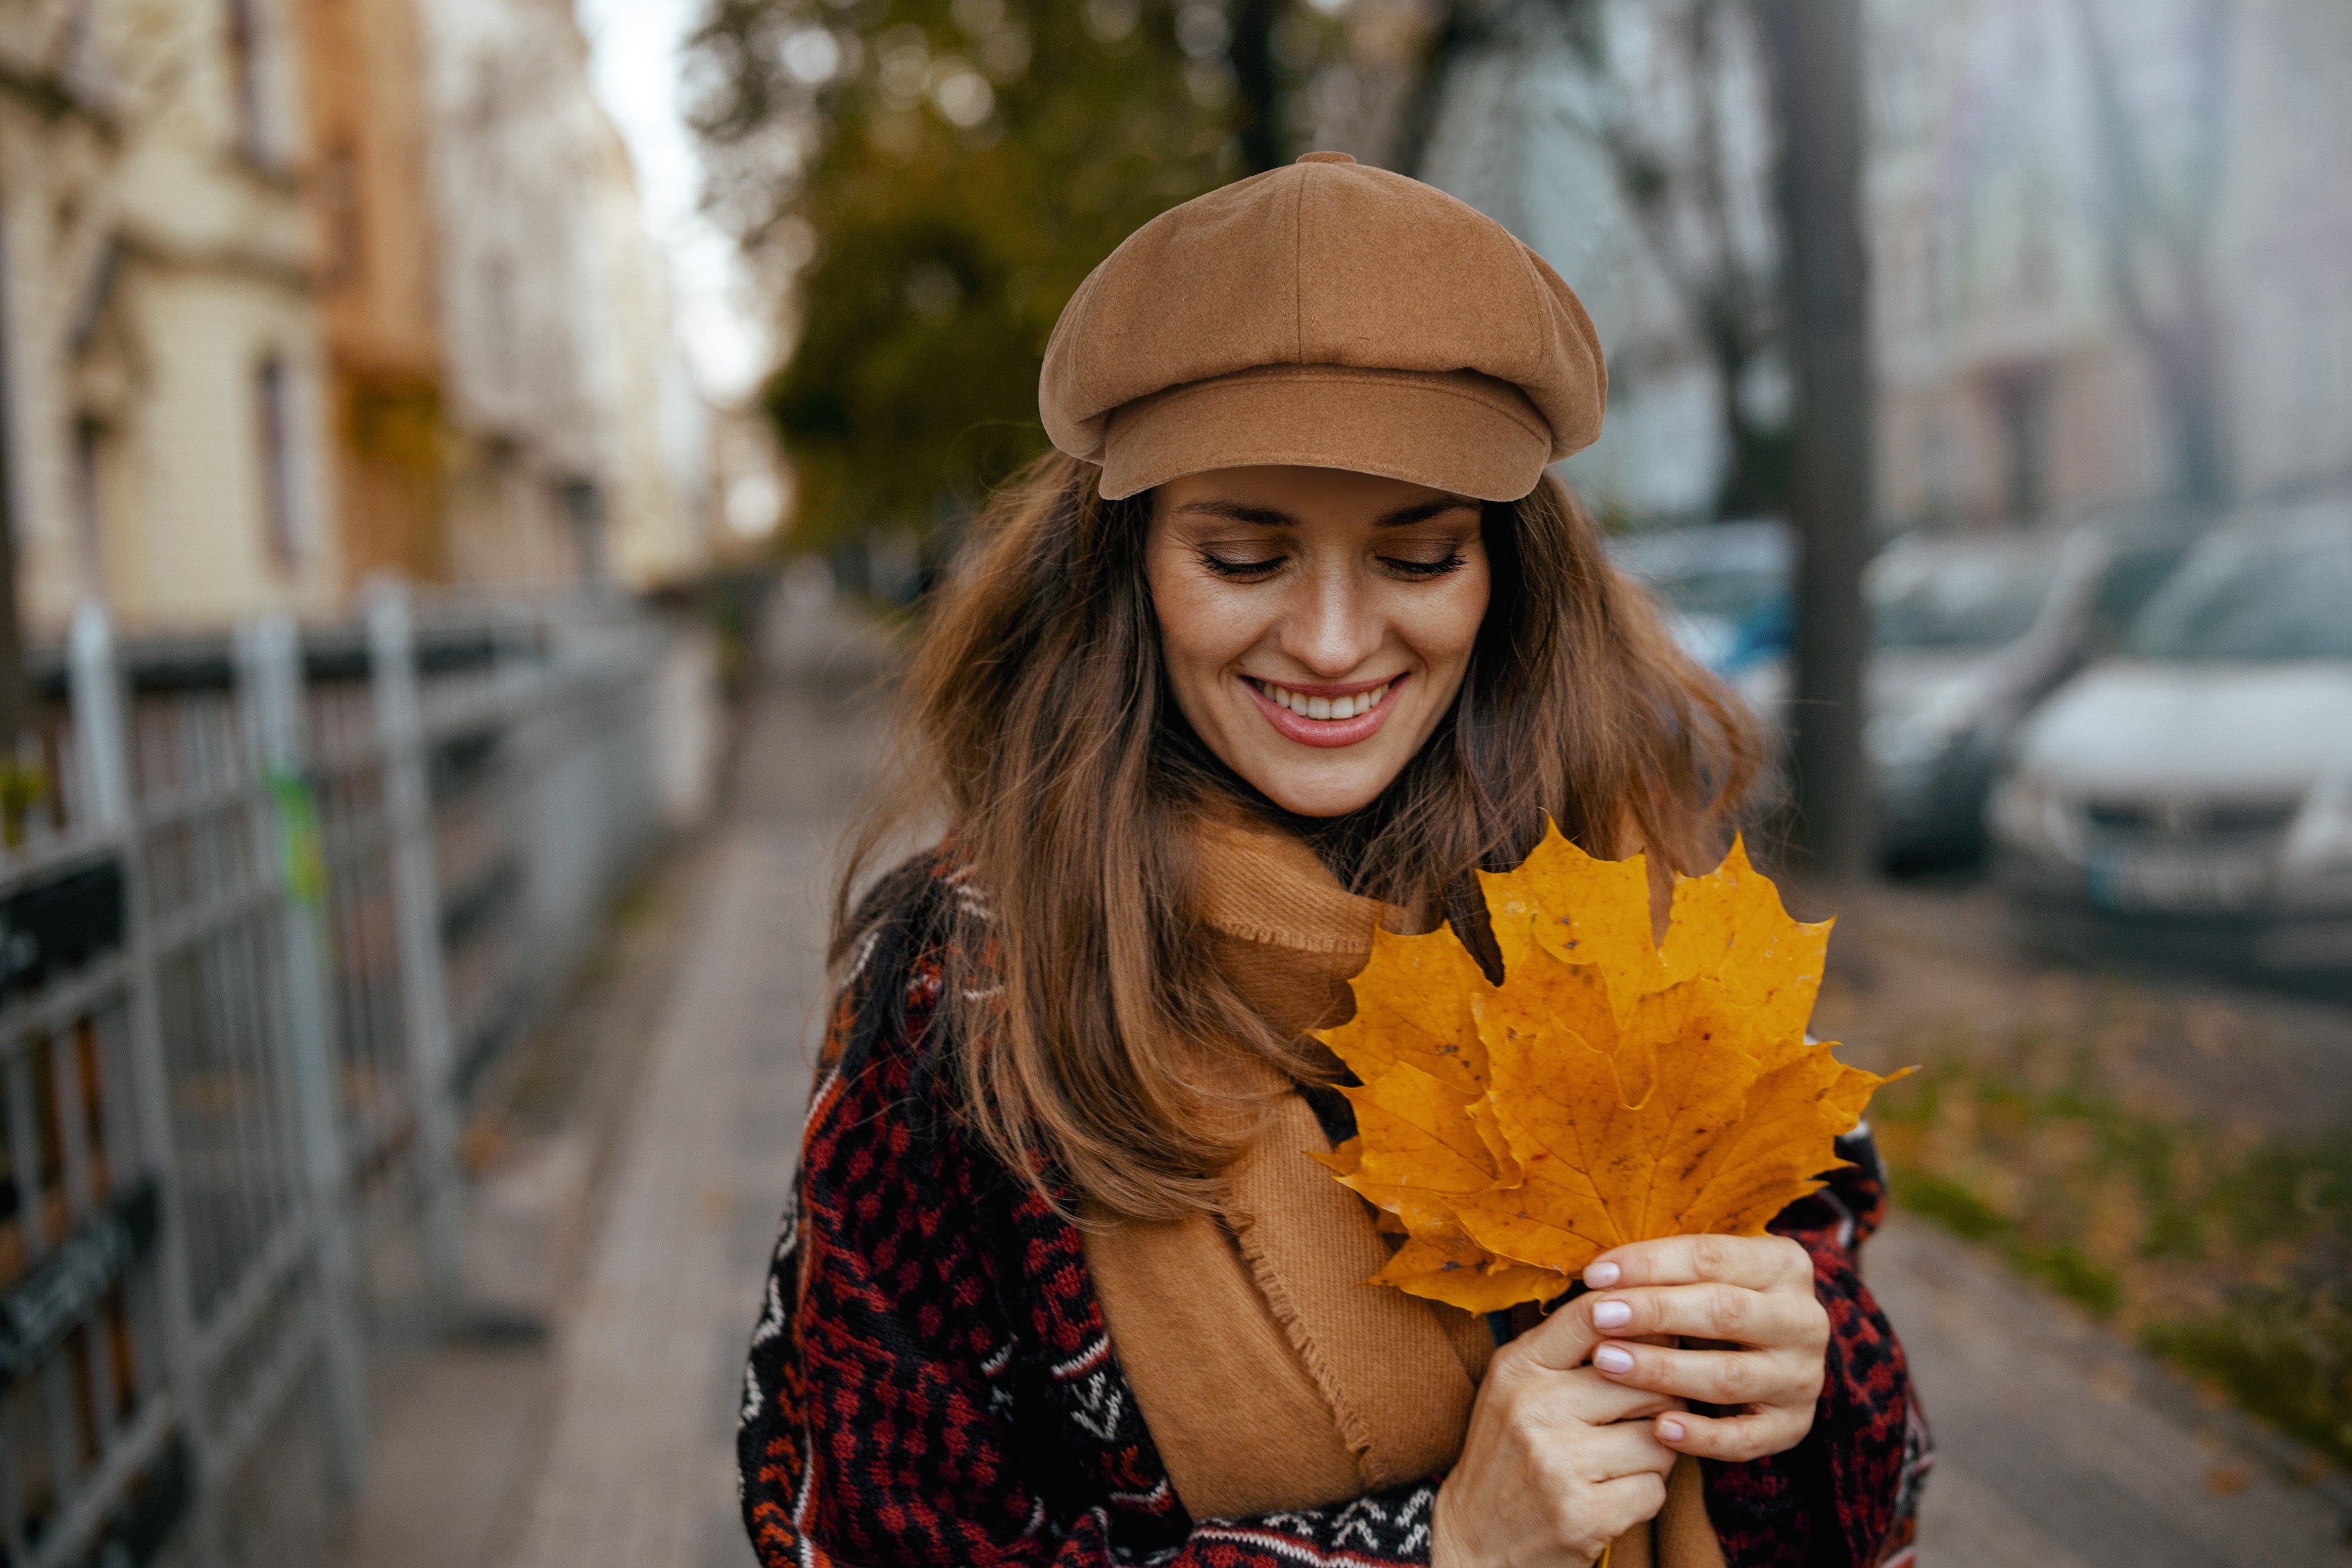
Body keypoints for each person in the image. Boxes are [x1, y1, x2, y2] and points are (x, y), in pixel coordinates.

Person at [739, 153, 1927, 1568]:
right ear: (1128, 569)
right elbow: (860, 1537)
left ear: (1507, 573)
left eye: (1418, 558)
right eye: (1244, 557)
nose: (1328, 641)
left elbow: (1871, 1458)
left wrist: (1797, 1385)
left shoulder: (1637, 909)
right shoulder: (964, 991)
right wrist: (1439, 1547)